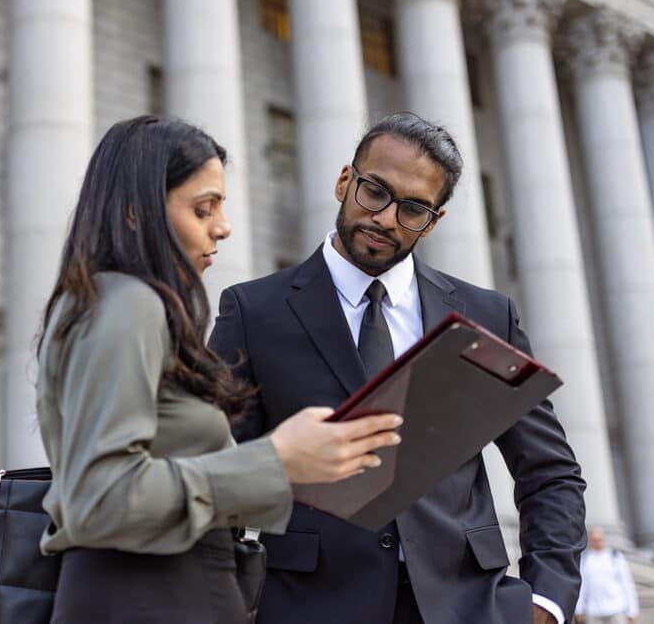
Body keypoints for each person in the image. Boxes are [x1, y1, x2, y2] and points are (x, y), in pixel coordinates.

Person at [210, 112, 588, 624]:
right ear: (345, 181)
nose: (386, 218)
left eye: (413, 209)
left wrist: (546, 599)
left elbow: (549, 471)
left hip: (466, 606)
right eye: (375, 192)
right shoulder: (254, 312)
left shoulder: (485, 315)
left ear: (434, 221)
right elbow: (213, 464)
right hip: (309, 605)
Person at [34, 115, 403, 624]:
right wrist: (276, 458)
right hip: (148, 596)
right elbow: (99, 498)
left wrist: (303, 466)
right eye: (202, 209)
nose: (223, 227)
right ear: (133, 213)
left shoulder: (113, 302)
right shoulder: (127, 304)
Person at [574, 527, 639, 624]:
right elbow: (583, 586)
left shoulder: (615, 557)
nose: (597, 543)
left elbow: (627, 583)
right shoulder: (585, 559)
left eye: (600, 540)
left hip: (616, 608)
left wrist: (632, 610)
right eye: (594, 540)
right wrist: (579, 609)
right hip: (593, 611)